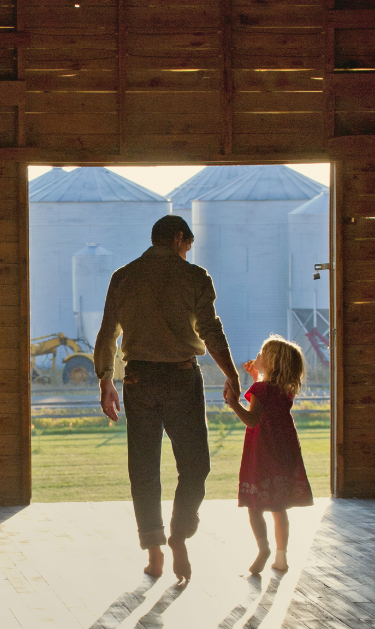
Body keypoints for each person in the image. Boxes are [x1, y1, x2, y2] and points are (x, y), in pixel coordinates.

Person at [94, 215, 241, 584]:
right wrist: (231, 373)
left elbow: (108, 331)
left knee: (143, 469)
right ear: (178, 238)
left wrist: (105, 380)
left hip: (138, 379)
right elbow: (210, 329)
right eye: (187, 246)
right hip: (180, 376)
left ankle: (155, 552)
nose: (188, 254)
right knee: (195, 465)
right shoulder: (195, 277)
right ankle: (179, 533)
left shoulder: (123, 276)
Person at [223, 334, 314, 574]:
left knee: (255, 506)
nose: (257, 356)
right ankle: (281, 557)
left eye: (262, 354)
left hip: (262, 451)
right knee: (279, 506)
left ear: (271, 363)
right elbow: (269, 400)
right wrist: (255, 377)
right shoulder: (283, 390)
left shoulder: (260, 389)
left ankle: (263, 548)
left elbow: (252, 420)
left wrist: (233, 403)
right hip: (284, 451)